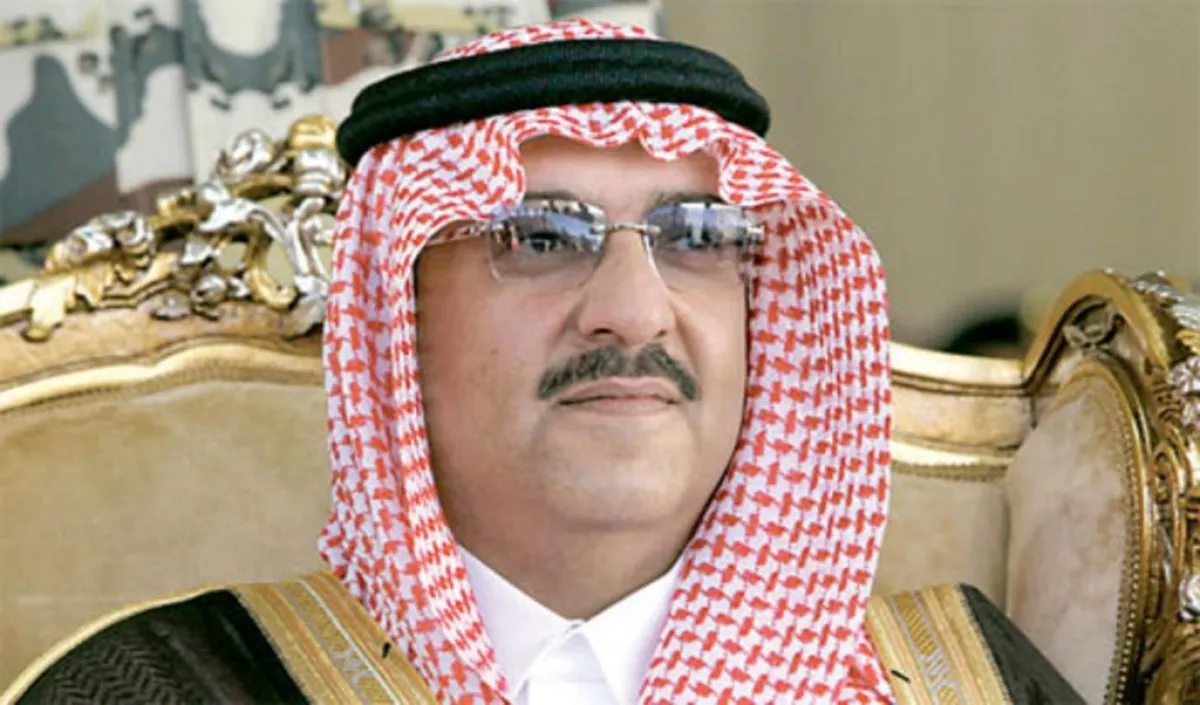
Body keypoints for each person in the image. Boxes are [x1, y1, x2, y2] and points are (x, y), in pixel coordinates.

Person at [3, 19, 1082, 705]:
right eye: (540, 238)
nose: (633, 312)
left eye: (698, 237)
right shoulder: (165, 688)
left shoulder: (963, 681)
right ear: (396, 319)